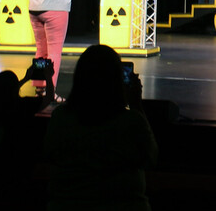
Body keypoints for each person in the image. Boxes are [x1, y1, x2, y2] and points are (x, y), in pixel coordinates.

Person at [44, 44, 157, 211]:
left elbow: (49, 154)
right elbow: (150, 157)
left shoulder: (62, 118)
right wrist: (136, 105)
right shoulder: (130, 122)